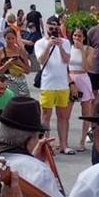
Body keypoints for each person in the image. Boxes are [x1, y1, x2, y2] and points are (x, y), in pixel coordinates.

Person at [34, 18, 74, 154]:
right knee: (45, 116)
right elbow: (40, 60)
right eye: (51, 28)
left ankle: (64, 145)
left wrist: (60, 46)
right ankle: (45, 145)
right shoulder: (40, 43)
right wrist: (48, 46)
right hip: (47, 84)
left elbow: (67, 60)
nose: (53, 31)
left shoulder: (66, 42)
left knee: (63, 116)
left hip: (62, 84)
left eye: (55, 28)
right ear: (46, 28)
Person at [66, 25, 96, 151]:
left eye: (79, 36)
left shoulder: (89, 49)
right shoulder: (68, 48)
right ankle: (65, 142)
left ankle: (82, 141)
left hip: (83, 78)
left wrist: (82, 51)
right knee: (66, 112)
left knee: (86, 113)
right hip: (71, 78)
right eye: (75, 35)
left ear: (84, 37)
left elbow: (87, 67)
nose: (76, 38)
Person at [0, 27, 31, 97]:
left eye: (12, 38)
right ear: (4, 38)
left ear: (15, 38)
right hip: (7, 82)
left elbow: (28, 71)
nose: (10, 41)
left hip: (21, 82)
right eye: (8, 38)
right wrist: (7, 64)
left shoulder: (22, 51)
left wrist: (19, 63)